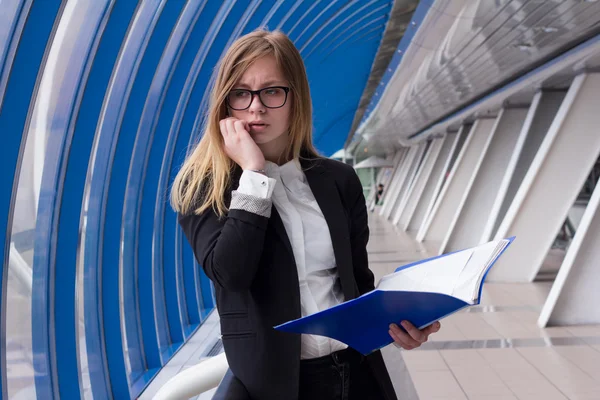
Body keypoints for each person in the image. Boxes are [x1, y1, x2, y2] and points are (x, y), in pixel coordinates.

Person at [171, 29, 441, 400]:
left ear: (295, 97)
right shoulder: (205, 188)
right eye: (241, 93)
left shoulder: (338, 180)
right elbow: (232, 273)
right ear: (225, 104)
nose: (256, 107)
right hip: (278, 387)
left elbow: (357, 286)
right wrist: (253, 174)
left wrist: (400, 326)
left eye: (272, 91)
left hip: (356, 374)